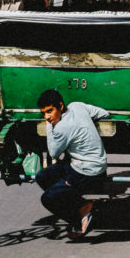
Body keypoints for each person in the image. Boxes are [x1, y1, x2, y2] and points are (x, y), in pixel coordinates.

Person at [35, 88, 109, 239]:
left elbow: (53, 153)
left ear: (61, 107)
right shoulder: (77, 106)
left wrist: (50, 127)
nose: (47, 117)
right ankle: (78, 205)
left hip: (87, 174)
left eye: (50, 111)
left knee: (47, 198)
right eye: (44, 113)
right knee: (42, 176)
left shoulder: (61, 127)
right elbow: (103, 113)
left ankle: (81, 214)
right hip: (90, 166)